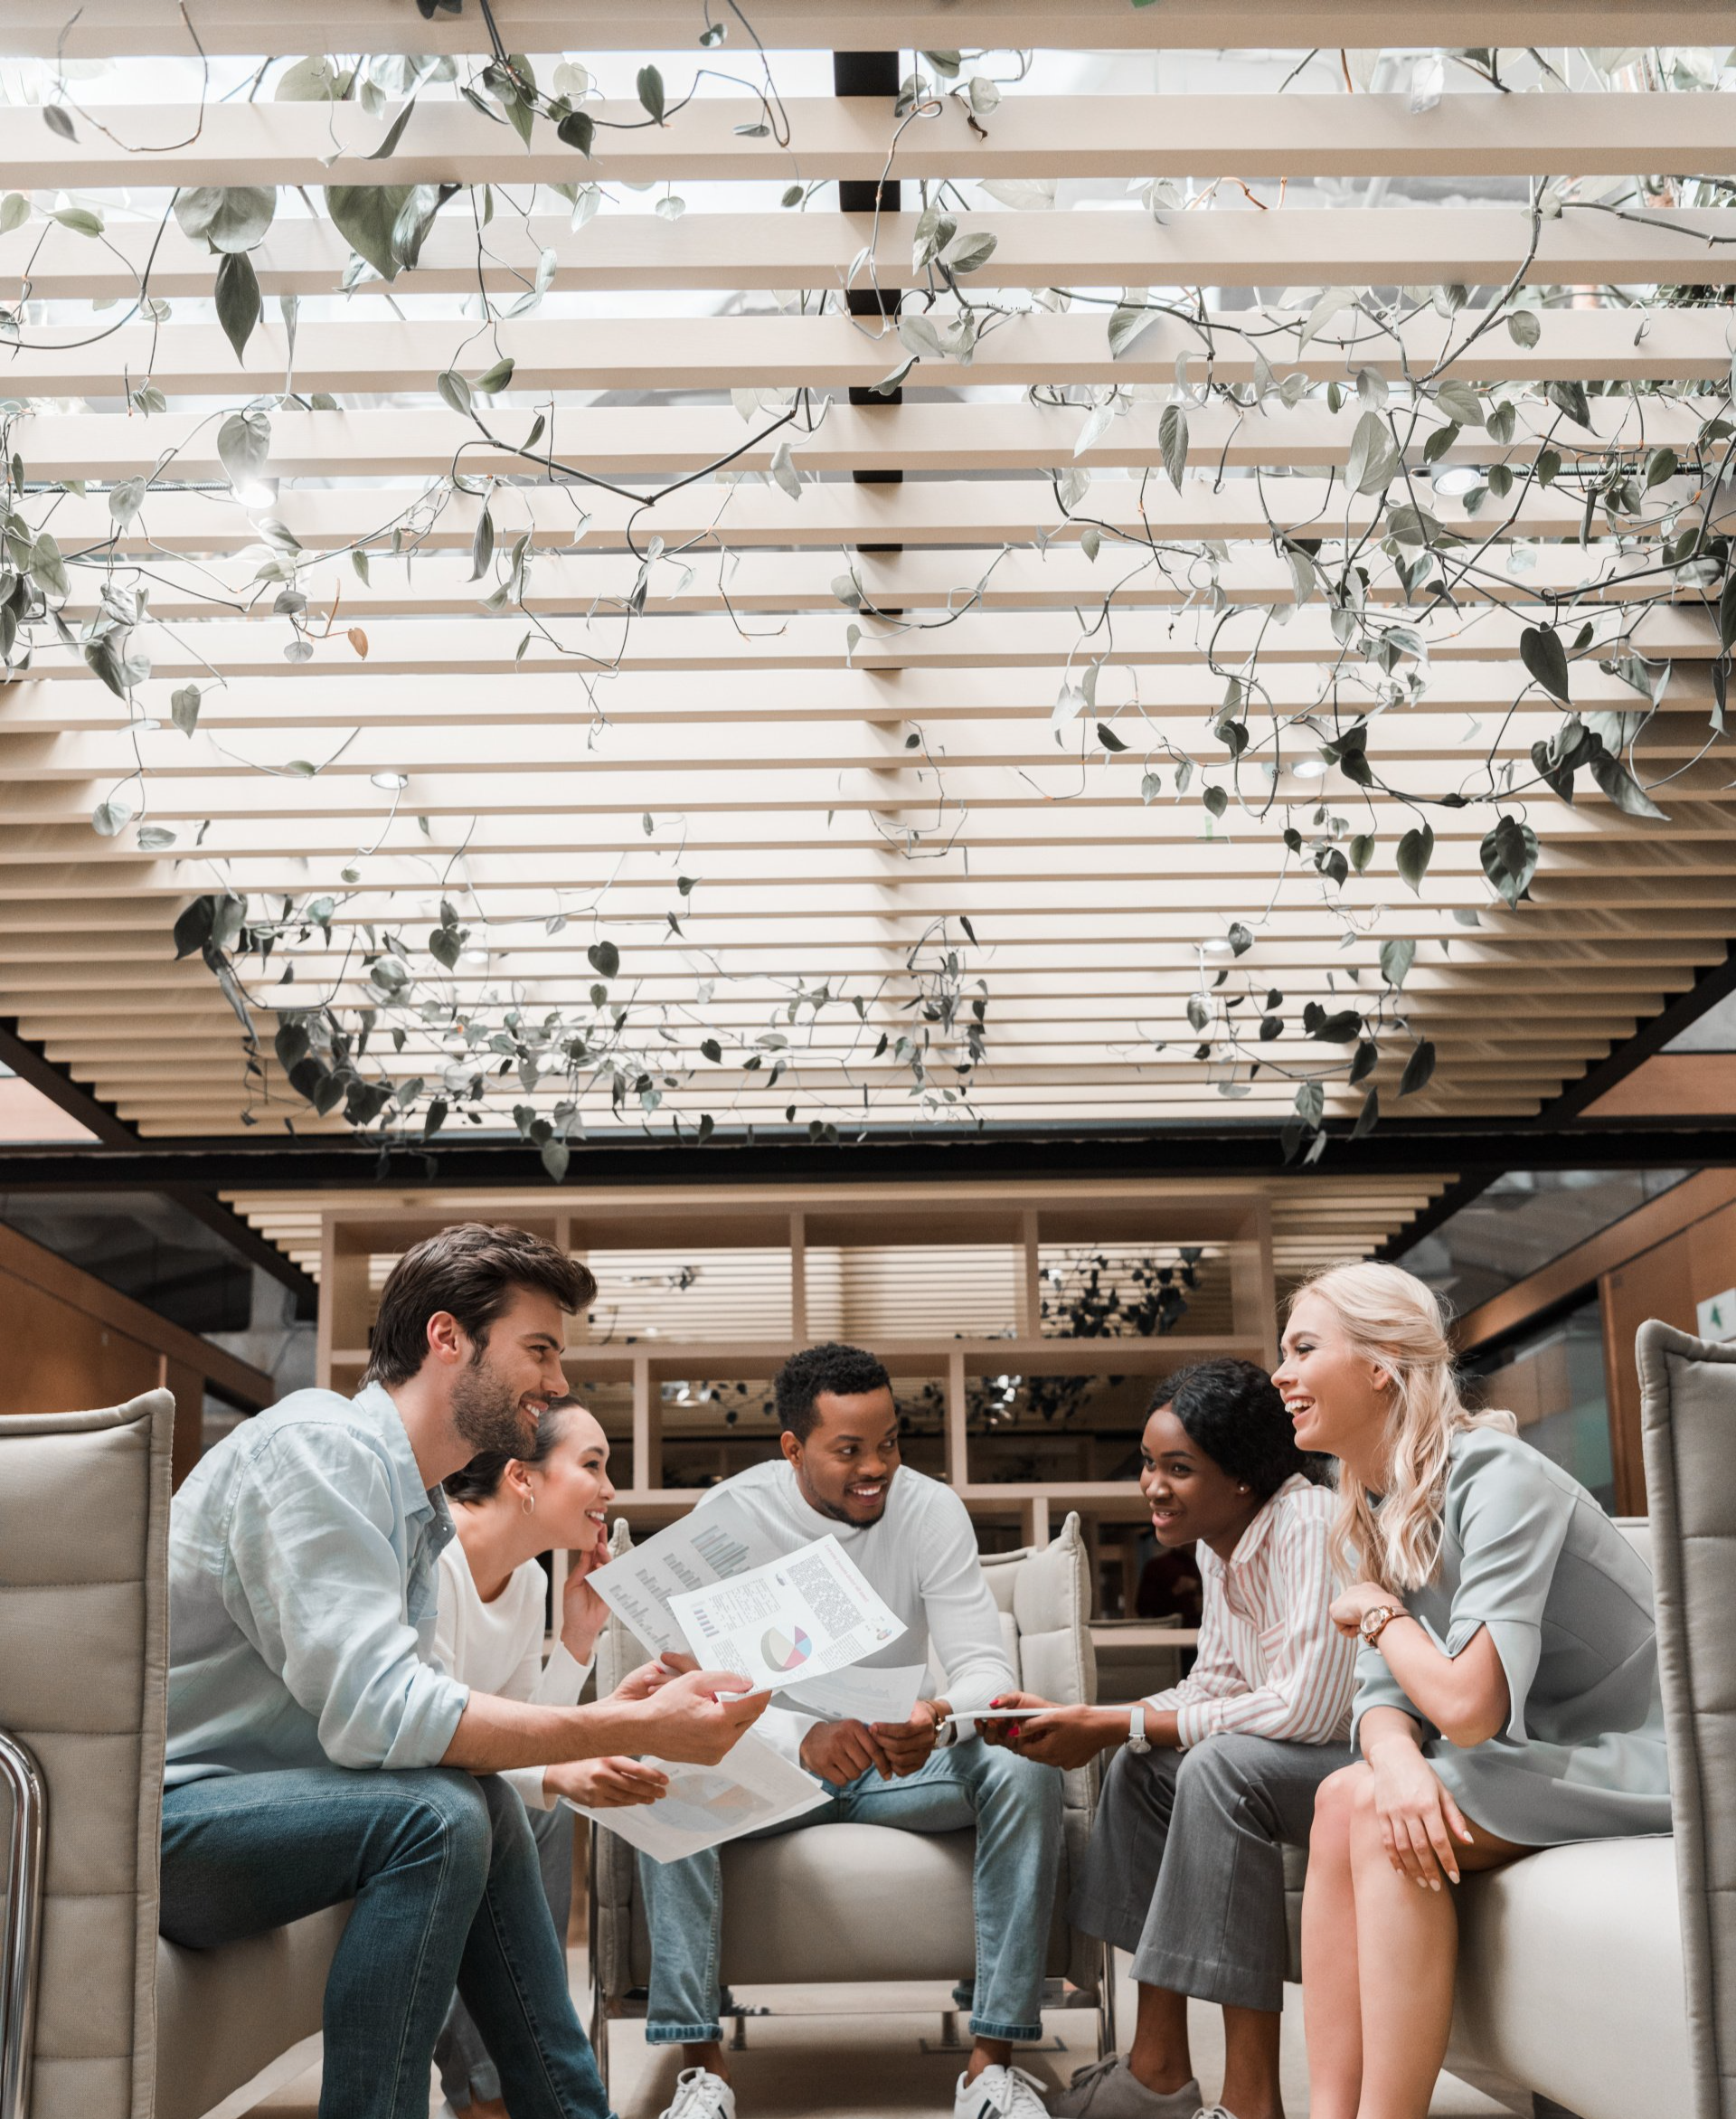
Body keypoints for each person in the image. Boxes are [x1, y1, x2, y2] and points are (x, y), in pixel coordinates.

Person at [159, 1222, 766, 2119]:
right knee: (436, 1813)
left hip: (265, 1811)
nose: (558, 1383)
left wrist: (606, 1703)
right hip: (172, 1829)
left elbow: (416, 1724)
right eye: (539, 1350)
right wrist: (632, 1725)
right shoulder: (323, 1452)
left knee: (476, 1800)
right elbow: (382, 1718)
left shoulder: (414, 1510)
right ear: (447, 1339)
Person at [1277, 1262, 1670, 2119]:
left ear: (1380, 1363)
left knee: (1376, 1814)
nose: (1281, 1373)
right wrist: (1400, 1763)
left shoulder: (1496, 1472)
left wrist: (1381, 1616)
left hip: (1639, 1759)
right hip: (1535, 1758)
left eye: (1304, 1348)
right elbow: (1382, 1704)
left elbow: (1467, 1706)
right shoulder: (1370, 1509)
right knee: (1346, 1799)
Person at [639, 1341, 1063, 2119]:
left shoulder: (929, 1510)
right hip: (773, 1772)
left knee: (1026, 1766)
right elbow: (684, 1686)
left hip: (896, 1765)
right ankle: (703, 2071)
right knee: (660, 1778)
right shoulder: (731, 1516)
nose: (878, 1467)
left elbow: (983, 1669)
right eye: (849, 1450)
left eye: (891, 1441)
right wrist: (796, 1734)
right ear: (793, 1448)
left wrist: (936, 1720)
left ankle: (990, 2065)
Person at [984, 1359, 1354, 2119]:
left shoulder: (1310, 1522)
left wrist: (1114, 1721)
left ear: (1244, 1473)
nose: (1153, 1484)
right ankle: (1157, 2068)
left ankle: (1254, 2104)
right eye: (1150, 1464)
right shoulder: (1223, 1547)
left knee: (1216, 1768)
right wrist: (1094, 1721)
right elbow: (1213, 1685)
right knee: (1144, 1765)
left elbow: (1309, 1708)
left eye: (1179, 1468)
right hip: (1294, 1762)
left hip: (1365, 1759)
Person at [433, 1395, 670, 2118]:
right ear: (521, 1476)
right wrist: (569, 1755)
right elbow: (429, 1738)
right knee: (504, 1804)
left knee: (529, 1808)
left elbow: (520, 1728)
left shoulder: (530, 1578)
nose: (609, 1488)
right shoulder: (433, 1560)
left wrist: (576, 1640)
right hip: (400, 1786)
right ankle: (489, 2095)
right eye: (592, 1464)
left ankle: (500, 2088)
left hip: (460, 1790)